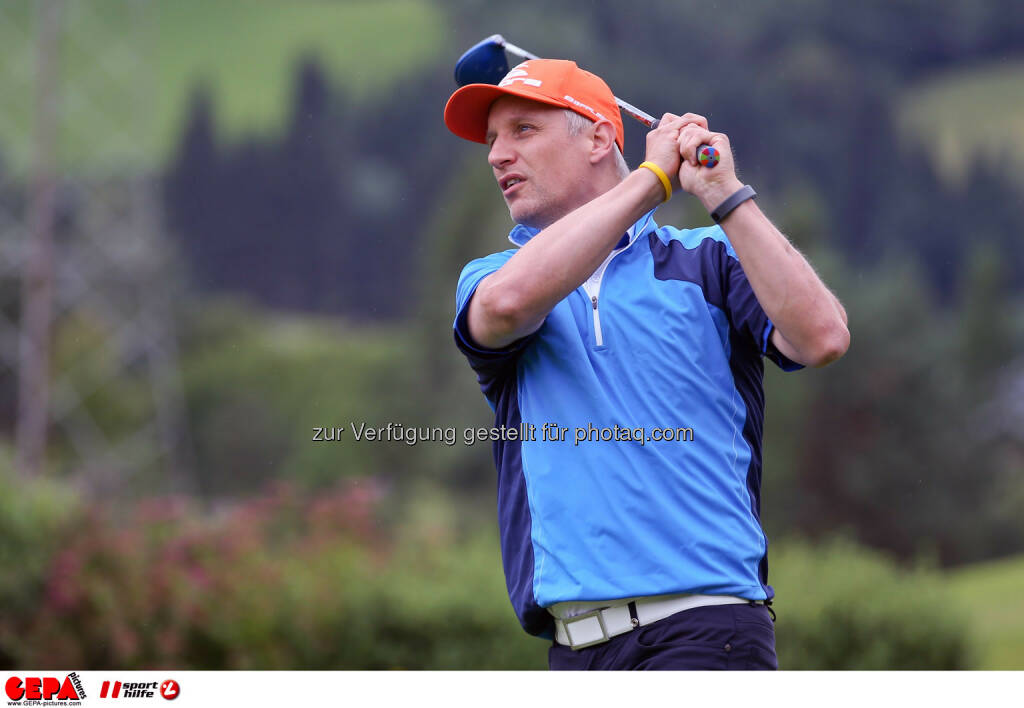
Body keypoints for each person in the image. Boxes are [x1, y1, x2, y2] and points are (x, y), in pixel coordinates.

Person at [443, 58, 849, 670]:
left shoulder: (709, 261)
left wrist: (724, 194)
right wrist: (654, 179)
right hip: (575, 652)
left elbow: (821, 337)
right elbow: (506, 306)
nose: (498, 155)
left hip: (708, 629)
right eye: (493, 140)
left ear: (601, 137)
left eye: (523, 130)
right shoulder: (492, 278)